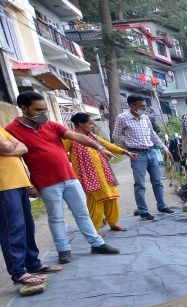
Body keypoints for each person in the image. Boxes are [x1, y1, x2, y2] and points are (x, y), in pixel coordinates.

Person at [6, 91, 120, 265]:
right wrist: (29, 185)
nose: (42, 114)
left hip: (70, 178)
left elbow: (77, 136)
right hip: (46, 182)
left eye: (44, 109)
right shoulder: (11, 131)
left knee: (82, 213)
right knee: (56, 217)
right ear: (23, 108)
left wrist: (99, 147)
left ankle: (97, 244)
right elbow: (16, 159)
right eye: (38, 110)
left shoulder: (51, 125)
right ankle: (63, 251)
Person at [0, 127, 62, 287]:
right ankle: (18, 272)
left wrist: (10, 147)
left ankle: (32, 264)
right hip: (4, 185)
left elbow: (23, 147)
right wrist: (11, 147)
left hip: (19, 182)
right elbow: (7, 147)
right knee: (13, 230)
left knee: (27, 226)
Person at [65, 113, 136, 233]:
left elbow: (107, 145)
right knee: (95, 202)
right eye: (90, 123)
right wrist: (71, 159)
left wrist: (124, 152)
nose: (92, 126)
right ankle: (95, 228)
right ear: (79, 124)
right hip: (87, 177)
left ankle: (113, 223)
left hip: (104, 174)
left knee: (111, 198)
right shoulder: (70, 137)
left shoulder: (92, 136)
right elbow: (61, 152)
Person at [112, 95, 174, 221]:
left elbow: (153, 135)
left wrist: (164, 148)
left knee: (157, 181)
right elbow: (116, 136)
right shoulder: (122, 118)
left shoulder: (145, 118)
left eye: (145, 106)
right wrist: (127, 150)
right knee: (140, 184)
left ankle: (162, 206)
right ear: (132, 106)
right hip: (137, 154)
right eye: (141, 106)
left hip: (151, 152)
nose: (144, 108)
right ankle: (143, 211)